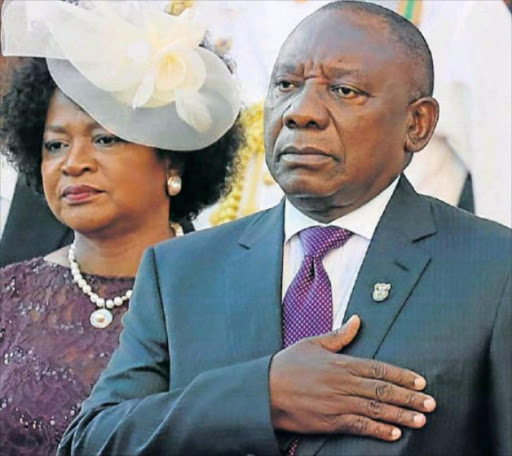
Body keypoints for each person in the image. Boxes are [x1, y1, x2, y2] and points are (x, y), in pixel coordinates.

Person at [59, 2, 511, 455]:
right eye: (286, 85)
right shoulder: (179, 270)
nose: (301, 111)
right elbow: (91, 441)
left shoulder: (492, 270)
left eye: (344, 90)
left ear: (417, 124)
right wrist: (260, 398)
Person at [0, 1, 242, 453]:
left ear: (171, 156)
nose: (73, 163)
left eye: (105, 139)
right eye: (55, 144)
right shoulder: (10, 294)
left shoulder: (235, 291)